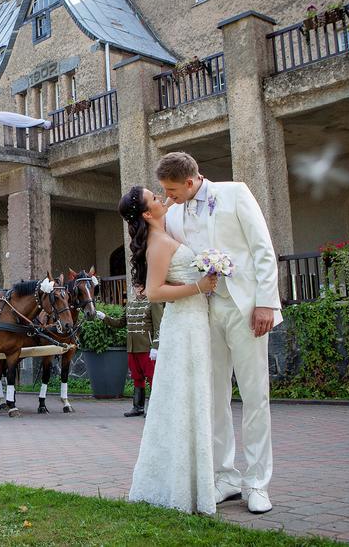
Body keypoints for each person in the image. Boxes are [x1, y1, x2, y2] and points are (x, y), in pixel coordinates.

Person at [157, 151, 282, 514]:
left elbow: (262, 249)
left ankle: (258, 483)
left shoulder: (236, 193)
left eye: (172, 189)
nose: (168, 196)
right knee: (213, 398)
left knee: (255, 396)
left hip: (245, 309)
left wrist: (266, 304)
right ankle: (225, 477)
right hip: (204, 313)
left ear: (192, 181)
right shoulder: (175, 213)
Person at [120, 185, 218, 515]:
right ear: (148, 213)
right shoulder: (158, 244)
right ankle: (180, 487)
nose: (162, 199)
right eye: (156, 198)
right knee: (183, 400)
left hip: (193, 322)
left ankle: (193, 482)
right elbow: (154, 291)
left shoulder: (166, 232)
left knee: (191, 399)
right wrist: (199, 286)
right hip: (183, 325)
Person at [104, 295, 163, 417]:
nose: (137, 288)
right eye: (136, 285)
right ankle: (138, 407)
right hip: (132, 347)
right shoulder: (130, 304)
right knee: (137, 377)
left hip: (147, 347)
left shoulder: (153, 302)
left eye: (139, 285)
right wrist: (104, 317)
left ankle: (155, 409)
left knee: (152, 378)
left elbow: (159, 325)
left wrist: (156, 346)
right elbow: (120, 322)